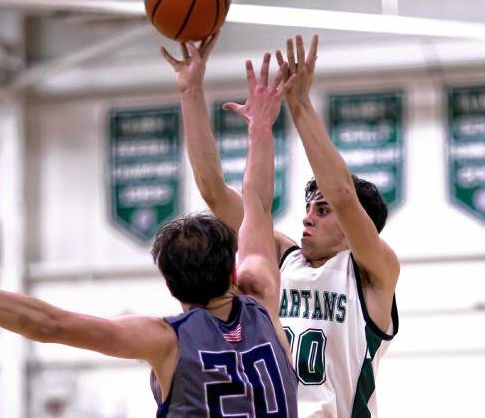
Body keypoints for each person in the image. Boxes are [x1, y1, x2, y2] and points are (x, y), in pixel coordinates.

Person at [0, 49, 298, 418]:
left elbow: (47, 324)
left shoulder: (165, 340)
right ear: (231, 268)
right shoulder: (261, 296)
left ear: (168, 283)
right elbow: (256, 202)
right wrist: (260, 126)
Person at [163, 32, 399, 417]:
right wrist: (191, 91)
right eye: (309, 207)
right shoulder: (282, 260)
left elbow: (341, 193)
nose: (307, 217)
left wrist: (300, 103)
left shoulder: (373, 272)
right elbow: (212, 191)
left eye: (321, 211)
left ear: (358, 226)